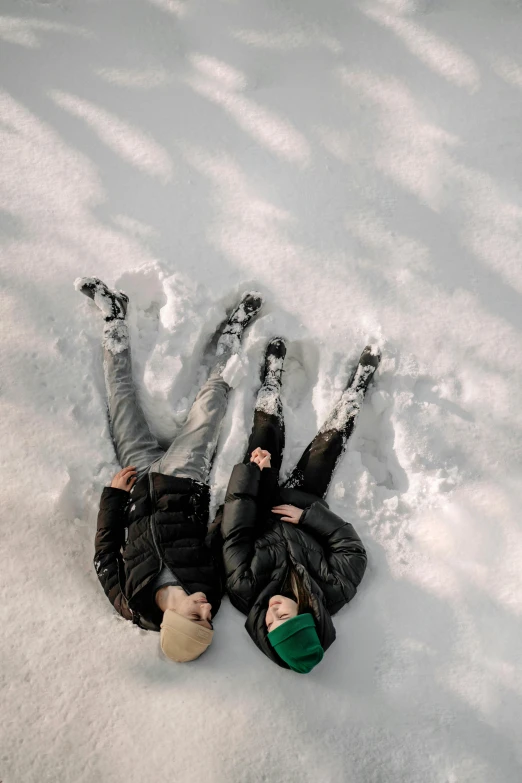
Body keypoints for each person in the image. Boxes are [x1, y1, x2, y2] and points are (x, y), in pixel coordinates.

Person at [75, 277, 262, 662]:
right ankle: (233, 333)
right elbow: (224, 534)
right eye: (209, 618)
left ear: (173, 620)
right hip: (184, 479)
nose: (208, 610)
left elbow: (104, 552)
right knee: (211, 403)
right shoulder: (209, 588)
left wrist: (114, 497)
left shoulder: (129, 600)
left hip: (137, 481)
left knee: (121, 401)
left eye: (199, 617)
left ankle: (114, 318)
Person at [220, 339, 380, 673]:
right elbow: (351, 550)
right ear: (305, 615)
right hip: (303, 503)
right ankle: (358, 387)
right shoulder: (332, 591)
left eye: (271, 623)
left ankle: (271, 379)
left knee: (263, 440)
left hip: (259, 505)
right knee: (327, 449)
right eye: (285, 617)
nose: (274, 611)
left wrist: (253, 476)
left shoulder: (243, 589)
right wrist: (308, 517)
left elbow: (235, 532)